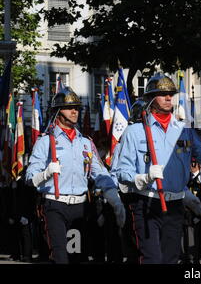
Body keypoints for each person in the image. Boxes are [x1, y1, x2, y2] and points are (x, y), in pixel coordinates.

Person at [114, 73, 201, 264]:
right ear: (149, 98)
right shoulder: (135, 131)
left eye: (170, 94)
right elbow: (121, 172)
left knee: (171, 259)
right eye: (162, 94)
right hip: (147, 203)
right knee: (151, 259)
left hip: (175, 204)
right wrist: (142, 178)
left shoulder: (184, 129)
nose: (168, 98)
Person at [25, 87, 126, 264]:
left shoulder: (86, 142)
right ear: (58, 111)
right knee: (60, 256)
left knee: (77, 256)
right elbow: (30, 177)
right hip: (55, 205)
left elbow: (99, 171)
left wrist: (111, 193)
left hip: (79, 207)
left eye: (77, 108)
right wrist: (46, 173)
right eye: (69, 107)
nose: (74, 111)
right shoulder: (45, 141)